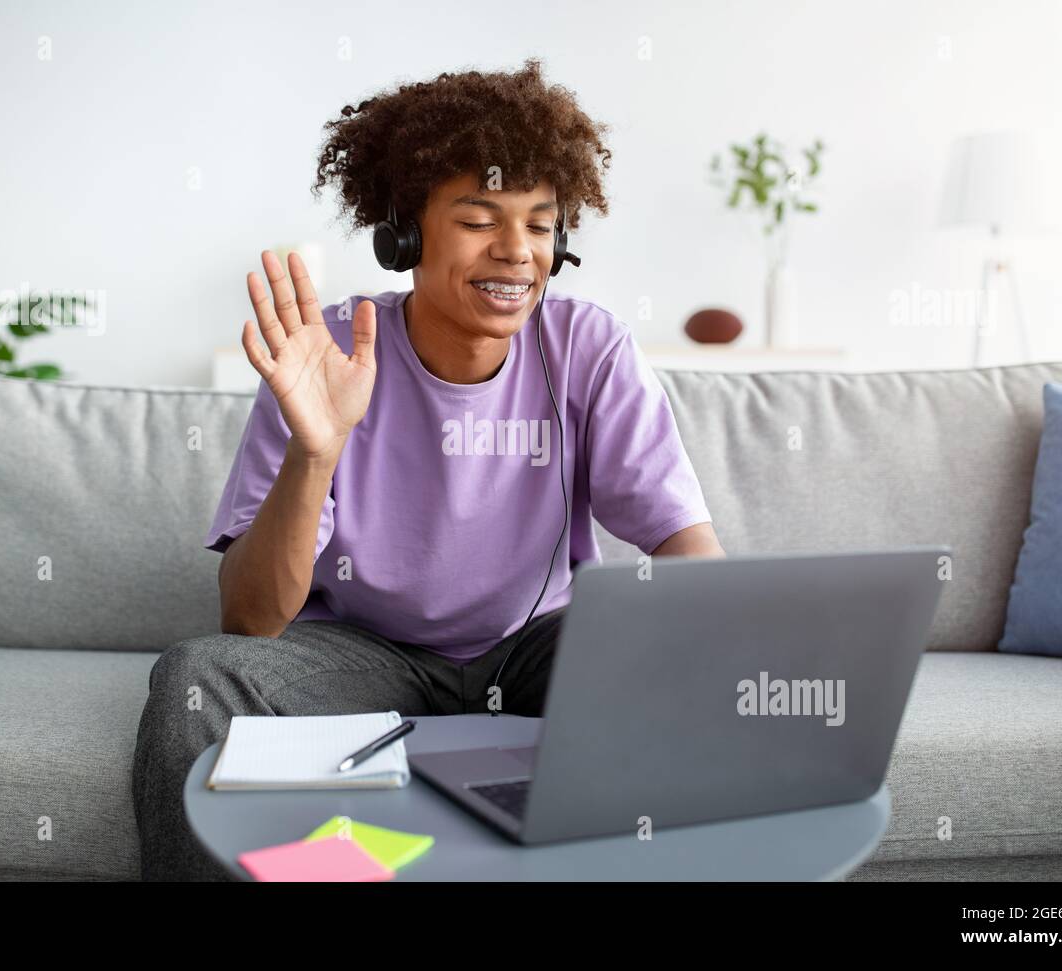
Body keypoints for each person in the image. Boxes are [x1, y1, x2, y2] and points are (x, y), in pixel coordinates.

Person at [131, 58, 725, 881]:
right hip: (364, 653)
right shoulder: (327, 356)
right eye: (481, 219)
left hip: (535, 648)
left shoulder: (588, 347)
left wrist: (726, 646)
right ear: (404, 232)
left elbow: (681, 539)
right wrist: (317, 449)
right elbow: (250, 624)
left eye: (541, 223)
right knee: (195, 676)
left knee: (669, 654)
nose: (517, 252)